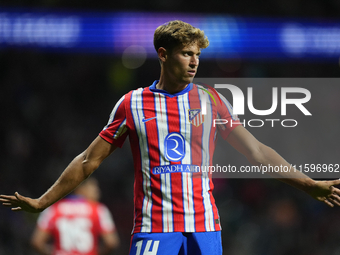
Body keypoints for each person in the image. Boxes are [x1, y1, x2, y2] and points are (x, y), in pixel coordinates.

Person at [1, 20, 340, 255]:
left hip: (206, 228)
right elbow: (89, 160)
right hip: (154, 228)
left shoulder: (210, 100)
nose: (194, 62)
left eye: (197, 55)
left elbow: (258, 153)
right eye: (186, 54)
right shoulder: (133, 104)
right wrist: (43, 201)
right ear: (163, 54)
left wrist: (308, 183)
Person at [30, 177, 120, 255]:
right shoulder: (99, 210)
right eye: (93, 188)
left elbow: (37, 242)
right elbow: (111, 242)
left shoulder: (53, 210)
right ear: (80, 188)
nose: (98, 192)